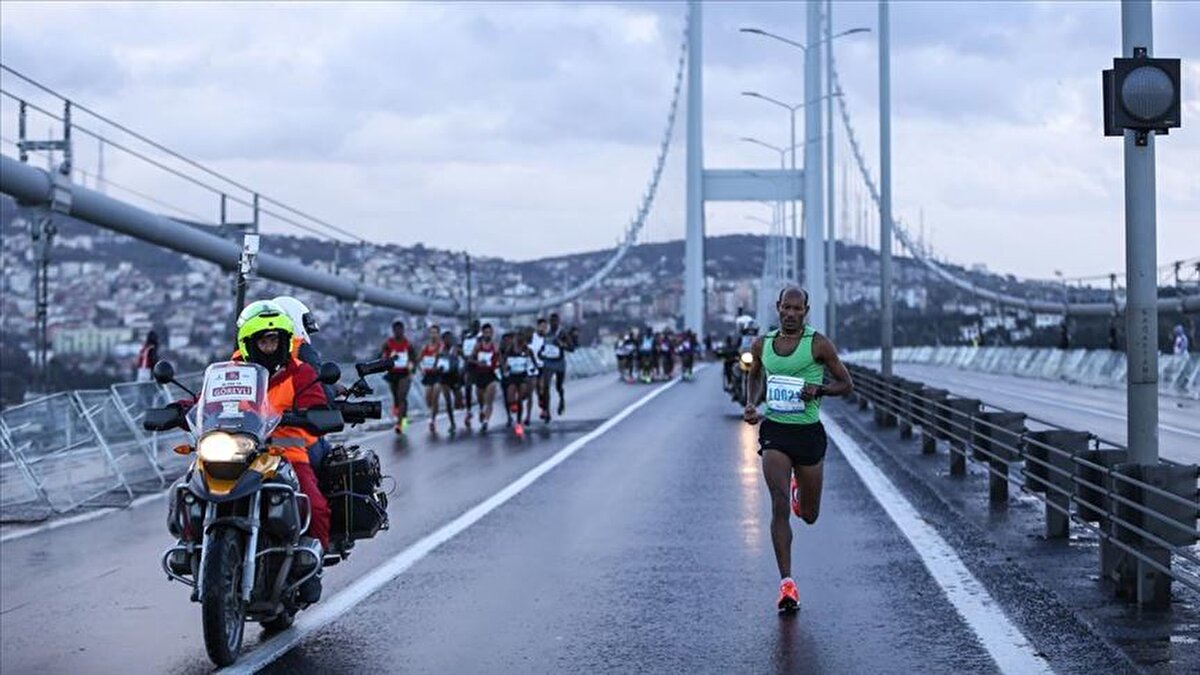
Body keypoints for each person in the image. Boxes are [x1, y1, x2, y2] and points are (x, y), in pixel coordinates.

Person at [743, 287, 853, 613]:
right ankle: (786, 584)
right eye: (786, 308)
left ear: (806, 310)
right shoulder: (762, 344)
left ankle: (798, 494)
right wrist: (751, 402)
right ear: (777, 307)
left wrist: (818, 389)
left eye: (797, 309)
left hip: (808, 434)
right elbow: (755, 375)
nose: (790, 314)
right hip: (776, 431)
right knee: (777, 503)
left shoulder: (818, 344)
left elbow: (846, 384)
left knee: (809, 515)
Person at [233, 300, 331, 602]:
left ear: (284, 340)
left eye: (274, 339)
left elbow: (317, 400)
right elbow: (205, 398)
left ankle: (312, 567)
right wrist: (180, 409)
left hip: (286, 450)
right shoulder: (235, 369)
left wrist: (315, 413)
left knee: (314, 505)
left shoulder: (300, 372)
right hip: (241, 449)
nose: (268, 345)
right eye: (263, 339)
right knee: (191, 484)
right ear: (250, 342)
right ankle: (193, 543)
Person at [382, 320, 419, 435]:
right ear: (393, 331)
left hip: (405, 373)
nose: (398, 332)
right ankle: (404, 418)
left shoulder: (408, 344)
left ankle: (399, 424)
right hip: (392, 374)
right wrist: (385, 360)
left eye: (400, 330)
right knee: (396, 399)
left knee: (401, 396)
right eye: (396, 330)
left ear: (403, 330)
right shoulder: (388, 343)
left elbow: (414, 358)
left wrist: (412, 367)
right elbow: (383, 356)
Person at [537, 313, 574, 422]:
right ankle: (547, 411)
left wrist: (562, 344)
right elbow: (542, 348)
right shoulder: (546, 334)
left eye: (555, 321)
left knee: (558, 386)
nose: (553, 323)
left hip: (559, 363)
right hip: (548, 362)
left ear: (559, 322)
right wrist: (540, 354)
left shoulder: (563, 334)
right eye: (552, 321)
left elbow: (571, 348)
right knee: (545, 387)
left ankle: (561, 399)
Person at [503, 331, 535, 438]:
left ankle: (518, 422)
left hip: (523, 376)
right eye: (518, 338)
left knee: (520, 398)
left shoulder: (527, 350)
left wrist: (532, 370)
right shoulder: (510, 350)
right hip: (512, 376)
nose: (520, 341)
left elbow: (533, 363)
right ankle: (513, 406)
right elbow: (505, 363)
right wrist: (505, 369)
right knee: (510, 398)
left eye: (522, 339)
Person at [470, 323, 500, 433]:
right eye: (486, 332)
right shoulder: (478, 346)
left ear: (492, 333)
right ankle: (481, 410)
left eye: (489, 333)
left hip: (491, 375)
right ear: (482, 333)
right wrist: (478, 362)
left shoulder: (495, 346)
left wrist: (499, 365)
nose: (488, 335)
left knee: (489, 401)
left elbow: (500, 359)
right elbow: (470, 359)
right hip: (479, 375)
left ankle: (486, 422)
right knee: (481, 399)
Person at [436, 330, 463, 434]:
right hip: (444, 378)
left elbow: (465, 358)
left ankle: (462, 405)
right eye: (446, 339)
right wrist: (438, 369)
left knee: (458, 401)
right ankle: (452, 423)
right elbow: (436, 364)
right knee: (448, 401)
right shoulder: (440, 351)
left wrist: (461, 367)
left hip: (455, 377)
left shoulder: (456, 349)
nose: (448, 341)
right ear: (443, 340)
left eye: (450, 339)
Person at [419, 325, 444, 434]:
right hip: (428, 375)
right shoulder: (425, 347)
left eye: (435, 332)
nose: (433, 335)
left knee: (435, 396)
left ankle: (432, 420)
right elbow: (418, 360)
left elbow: (445, 359)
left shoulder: (441, 347)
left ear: (438, 334)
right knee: (428, 398)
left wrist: (440, 364)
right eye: (432, 332)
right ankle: (432, 412)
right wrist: (421, 369)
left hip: (438, 375)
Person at [461, 320, 481, 430]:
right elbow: (463, 351)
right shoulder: (466, 337)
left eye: (477, 327)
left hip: (479, 365)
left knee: (479, 389)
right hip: (468, 365)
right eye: (473, 326)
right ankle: (468, 411)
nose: (475, 328)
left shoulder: (481, 338)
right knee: (467, 387)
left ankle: (482, 408)